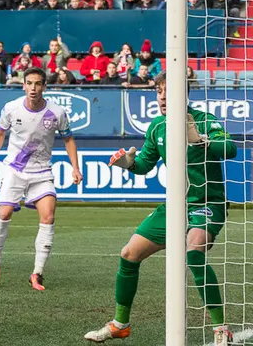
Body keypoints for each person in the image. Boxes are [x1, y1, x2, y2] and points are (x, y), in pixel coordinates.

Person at [84, 72, 234, 345]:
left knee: (193, 250)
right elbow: (144, 164)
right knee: (129, 254)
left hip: (207, 203)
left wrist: (199, 138)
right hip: (175, 205)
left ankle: (221, 329)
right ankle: (120, 324)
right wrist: (128, 164)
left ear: (184, 94)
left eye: (169, 91)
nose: (163, 97)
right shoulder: (157, 127)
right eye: (159, 91)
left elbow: (231, 148)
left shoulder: (203, 120)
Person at [0, 67, 82, 290]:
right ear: (23, 85)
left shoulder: (57, 113)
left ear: (45, 86)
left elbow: (68, 139)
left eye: (38, 84)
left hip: (42, 172)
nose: (33, 88)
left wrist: (75, 167)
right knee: (4, 213)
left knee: (48, 217)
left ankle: (37, 273)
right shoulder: (11, 108)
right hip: (14, 170)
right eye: (29, 83)